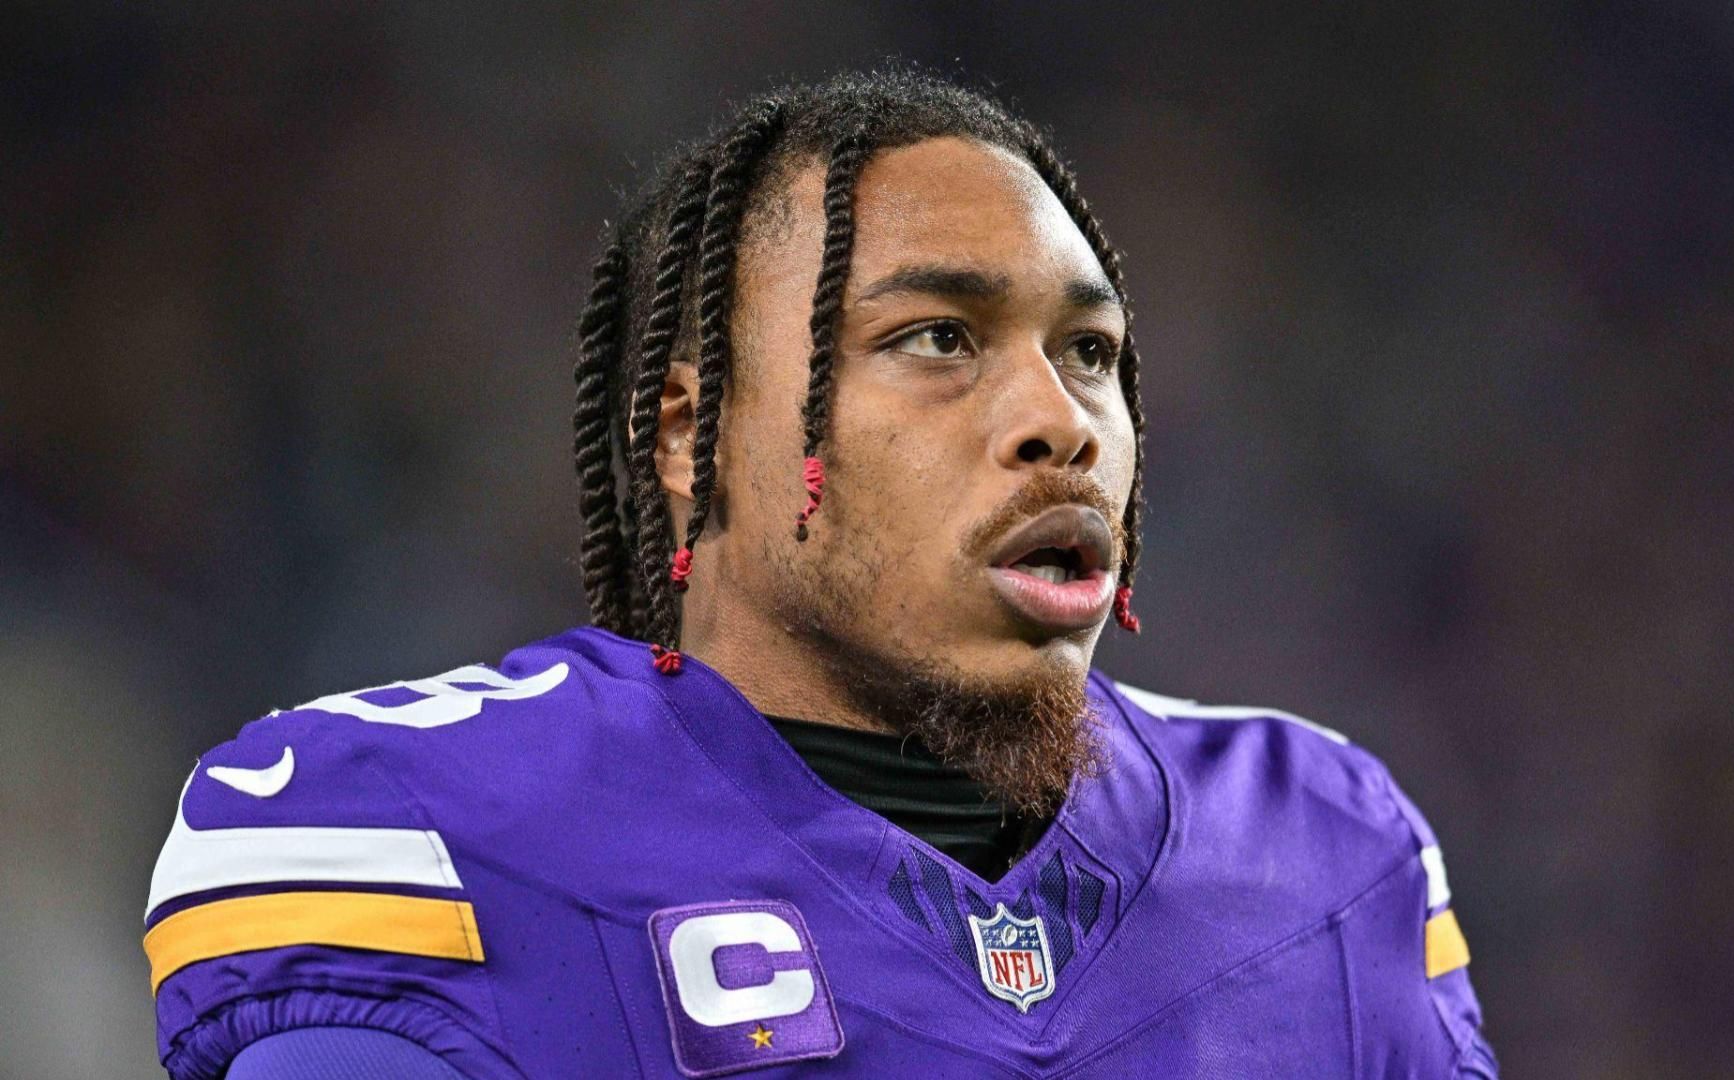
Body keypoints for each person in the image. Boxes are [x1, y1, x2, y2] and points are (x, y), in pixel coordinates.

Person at [144, 68, 1497, 1078]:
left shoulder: (1326, 851)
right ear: (692, 437)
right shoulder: (420, 835)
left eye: (1089, 352)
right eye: (937, 337)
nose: (1060, 419)